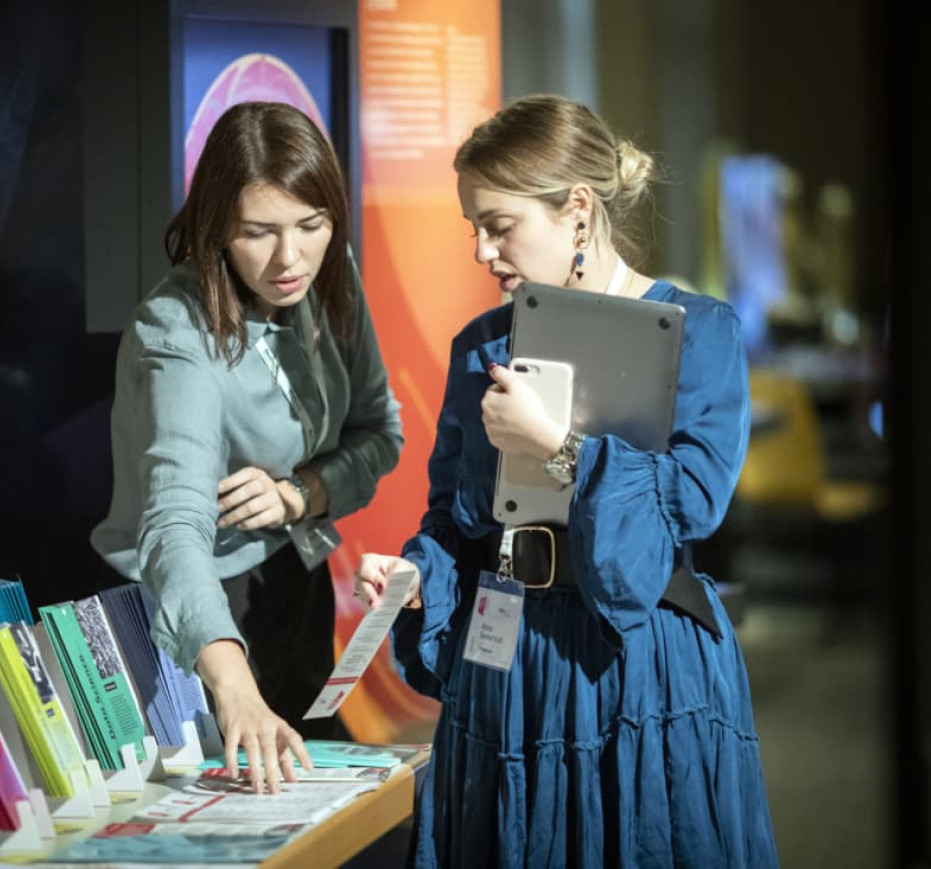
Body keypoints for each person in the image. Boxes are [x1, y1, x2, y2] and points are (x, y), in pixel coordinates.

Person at [355, 94, 778, 866]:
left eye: (499, 223)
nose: (482, 250)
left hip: (637, 660)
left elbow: (689, 503)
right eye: (471, 228)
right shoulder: (479, 345)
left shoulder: (696, 330)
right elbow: (454, 514)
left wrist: (559, 447)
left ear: (575, 211)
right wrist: (417, 569)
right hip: (506, 657)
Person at [92, 101, 403, 793]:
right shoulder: (175, 331)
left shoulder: (329, 272)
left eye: (310, 226)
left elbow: (380, 433)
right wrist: (232, 686)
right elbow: (173, 527)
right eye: (257, 233)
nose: (289, 258)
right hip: (191, 615)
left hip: (294, 578)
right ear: (216, 231)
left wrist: (301, 493)